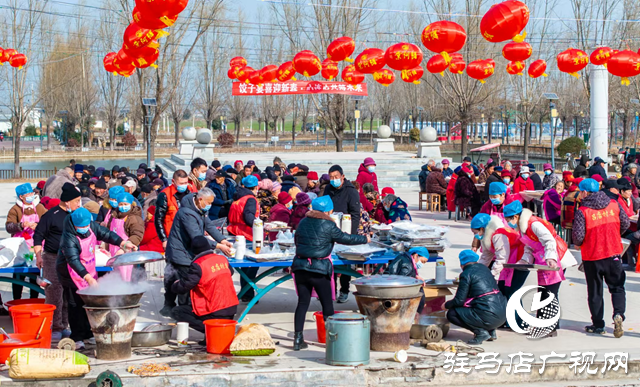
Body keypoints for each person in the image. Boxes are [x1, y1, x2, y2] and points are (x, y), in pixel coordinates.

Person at [291, 196, 369, 350]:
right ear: (328, 210)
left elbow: (297, 241)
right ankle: (331, 341)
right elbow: (345, 238)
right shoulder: (328, 224)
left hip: (300, 267)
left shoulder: (303, 222)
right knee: (327, 306)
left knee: (302, 303)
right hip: (319, 269)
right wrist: (364, 239)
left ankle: (298, 340)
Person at [57, 207, 136, 349]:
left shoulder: (91, 226)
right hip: (71, 273)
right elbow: (73, 260)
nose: (84, 229)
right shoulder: (68, 238)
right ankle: (77, 337)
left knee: (90, 303)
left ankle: (88, 332)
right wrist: (88, 278)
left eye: (86, 225)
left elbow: (106, 234)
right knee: (75, 305)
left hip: (88, 268)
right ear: (74, 225)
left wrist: (122, 243)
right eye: (80, 227)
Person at [502, 200, 575, 336]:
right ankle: (546, 325)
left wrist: (551, 258)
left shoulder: (533, 223)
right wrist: (524, 261)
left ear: (516, 217)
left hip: (555, 258)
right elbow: (529, 247)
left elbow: (549, 240)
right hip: (543, 260)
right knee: (542, 293)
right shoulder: (523, 228)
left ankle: (550, 327)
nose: (508, 222)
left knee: (549, 293)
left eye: (509, 219)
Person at [161, 188, 233, 316]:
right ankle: (180, 312)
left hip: (188, 252)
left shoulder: (200, 209)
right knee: (181, 283)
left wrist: (222, 240)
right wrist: (218, 246)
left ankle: (175, 309)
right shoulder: (186, 213)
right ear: (200, 200)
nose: (209, 206)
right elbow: (196, 237)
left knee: (175, 280)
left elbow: (209, 225)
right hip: (180, 253)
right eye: (208, 203)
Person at [572, 178, 629, 337]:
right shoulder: (613, 204)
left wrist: (580, 242)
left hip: (593, 256)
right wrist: (612, 234)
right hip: (614, 254)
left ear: (584, 192)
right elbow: (624, 223)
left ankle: (598, 325)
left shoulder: (583, 211)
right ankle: (618, 314)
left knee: (595, 291)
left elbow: (578, 236)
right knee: (617, 287)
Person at [170, 236, 238, 342]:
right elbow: (231, 272)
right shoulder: (222, 259)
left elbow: (184, 286)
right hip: (231, 307)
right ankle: (211, 336)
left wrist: (174, 285)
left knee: (177, 312)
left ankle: (213, 331)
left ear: (193, 251)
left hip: (214, 310)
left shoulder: (198, 265)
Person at [445, 250, 507, 344]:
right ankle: (491, 331)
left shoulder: (466, 274)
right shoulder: (484, 269)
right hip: (502, 314)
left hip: (489, 315)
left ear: (462, 263)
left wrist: (446, 305)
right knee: (480, 304)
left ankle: (481, 333)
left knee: (452, 314)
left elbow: (459, 301)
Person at [323, 165, 361, 303]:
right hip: (330, 229)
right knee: (329, 262)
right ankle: (331, 290)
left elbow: (356, 214)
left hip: (346, 228)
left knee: (345, 263)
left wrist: (351, 235)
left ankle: (344, 290)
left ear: (342, 177)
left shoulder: (351, 191)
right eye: (331, 177)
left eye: (336, 177)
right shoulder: (328, 188)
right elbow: (325, 207)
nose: (333, 180)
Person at [6, 183, 46, 300]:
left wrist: (38, 225)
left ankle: (34, 300)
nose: (30, 196)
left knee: (34, 273)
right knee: (19, 275)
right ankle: (16, 301)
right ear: (21, 197)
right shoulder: (15, 209)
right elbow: (9, 227)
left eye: (31, 193)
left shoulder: (40, 207)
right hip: (21, 246)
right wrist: (21, 225)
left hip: (37, 245)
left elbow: (48, 222)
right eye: (27, 194)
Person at [228, 176, 261, 302]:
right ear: (256, 187)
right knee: (252, 265)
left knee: (244, 266)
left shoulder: (238, 198)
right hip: (248, 235)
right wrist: (259, 225)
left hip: (237, 233)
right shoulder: (250, 199)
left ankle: (246, 293)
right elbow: (248, 217)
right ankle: (247, 293)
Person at [471, 214, 520, 280]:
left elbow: (502, 258)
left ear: (482, 229)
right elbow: (486, 256)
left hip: (518, 259)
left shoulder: (498, 234)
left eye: (475, 232)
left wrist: (492, 274)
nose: (475, 235)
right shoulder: (486, 236)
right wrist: (477, 271)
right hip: (508, 259)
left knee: (508, 288)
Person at [155, 170, 195, 250]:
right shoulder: (165, 195)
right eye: (181, 183)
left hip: (188, 234)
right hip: (171, 235)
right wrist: (164, 239)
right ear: (173, 181)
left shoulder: (190, 193)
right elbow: (158, 219)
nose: (184, 185)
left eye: (186, 183)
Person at [104, 192, 145, 261]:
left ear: (131, 204)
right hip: (112, 251)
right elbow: (108, 231)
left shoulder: (134, 218)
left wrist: (124, 248)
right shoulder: (114, 216)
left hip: (127, 253)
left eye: (125, 204)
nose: (123, 206)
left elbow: (137, 235)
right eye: (121, 204)